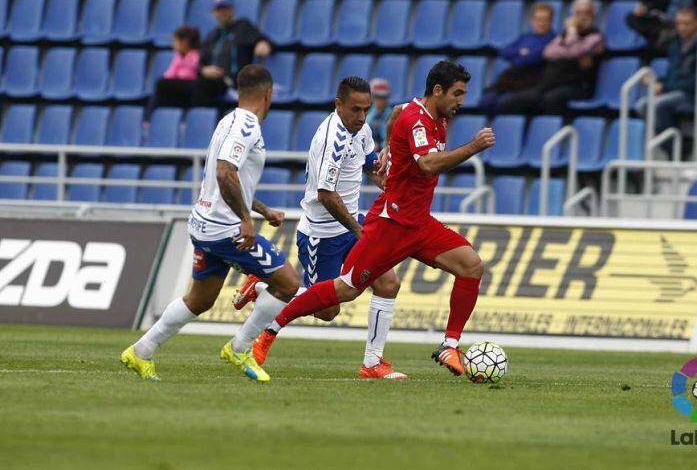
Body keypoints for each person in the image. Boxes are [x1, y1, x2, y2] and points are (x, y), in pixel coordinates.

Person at [251, 61, 496, 378]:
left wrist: (388, 153)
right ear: (438, 91)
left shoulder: (424, 112)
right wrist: (474, 146)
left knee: (471, 266)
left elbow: (395, 112)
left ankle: (445, 346)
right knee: (345, 291)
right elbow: (429, 165)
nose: (461, 101)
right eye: (457, 94)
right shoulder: (419, 120)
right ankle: (270, 331)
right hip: (391, 223)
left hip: (419, 223)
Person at [121, 65, 300, 382]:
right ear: (267, 95)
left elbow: (229, 180)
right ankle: (240, 347)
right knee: (287, 283)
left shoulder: (228, 121)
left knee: (199, 300)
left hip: (204, 223)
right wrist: (247, 219)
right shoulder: (246, 127)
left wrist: (260, 209)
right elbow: (224, 172)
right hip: (225, 229)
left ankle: (141, 351)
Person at [234, 77, 406, 379]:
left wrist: (383, 178)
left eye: (366, 109)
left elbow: (366, 163)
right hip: (322, 234)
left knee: (388, 283)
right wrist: (359, 231)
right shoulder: (331, 140)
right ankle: (261, 285)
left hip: (354, 223)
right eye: (355, 109)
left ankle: (373, 362)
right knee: (326, 311)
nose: (362, 117)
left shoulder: (361, 128)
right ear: (338, 105)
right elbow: (326, 195)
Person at [494, 0, 605, 115]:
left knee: (551, 99)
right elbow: (548, 51)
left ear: (593, 14)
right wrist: (570, 50)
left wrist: (572, 32)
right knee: (509, 102)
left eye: (586, 12)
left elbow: (577, 51)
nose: (582, 16)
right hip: (550, 85)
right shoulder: (564, 34)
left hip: (577, 87)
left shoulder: (596, 37)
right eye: (578, 13)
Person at [635, 7, 697, 157]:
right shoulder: (675, 45)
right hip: (675, 93)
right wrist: (656, 81)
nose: (682, 27)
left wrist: (664, 87)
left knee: (658, 105)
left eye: (687, 23)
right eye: (679, 23)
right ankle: (678, 146)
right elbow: (673, 77)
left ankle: (676, 151)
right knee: (642, 105)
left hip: (696, 95)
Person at [194, 0, 273, 106]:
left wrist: (263, 43)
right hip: (212, 80)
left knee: (200, 86)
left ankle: (202, 120)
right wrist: (204, 70)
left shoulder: (243, 26)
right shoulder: (212, 35)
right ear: (214, 13)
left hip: (232, 81)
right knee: (166, 86)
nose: (223, 12)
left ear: (232, 9)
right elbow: (200, 62)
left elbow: (264, 39)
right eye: (219, 9)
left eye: (226, 8)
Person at [478, 3, 556, 116]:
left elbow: (531, 59)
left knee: (506, 103)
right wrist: (520, 52)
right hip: (511, 80)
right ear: (532, 21)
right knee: (486, 101)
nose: (542, 23)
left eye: (545, 19)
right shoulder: (525, 37)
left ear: (551, 21)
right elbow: (504, 52)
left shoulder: (553, 40)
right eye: (538, 19)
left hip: (532, 82)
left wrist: (520, 55)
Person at [146, 26, 201, 119]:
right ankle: (155, 118)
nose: (173, 44)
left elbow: (189, 75)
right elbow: (170, 73)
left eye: (175, 41)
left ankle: (149, 118)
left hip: (189, 86)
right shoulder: (178, 56)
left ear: (184, 42)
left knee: (161, 84)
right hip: (177, 85)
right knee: (160, 89)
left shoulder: (195, 56)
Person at [365, 78, 392, 149]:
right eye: (377, 97)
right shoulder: (370, 113)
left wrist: (379, 146)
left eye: (383, 97)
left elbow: (389, 141)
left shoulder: (391, 115)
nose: (380, 101)